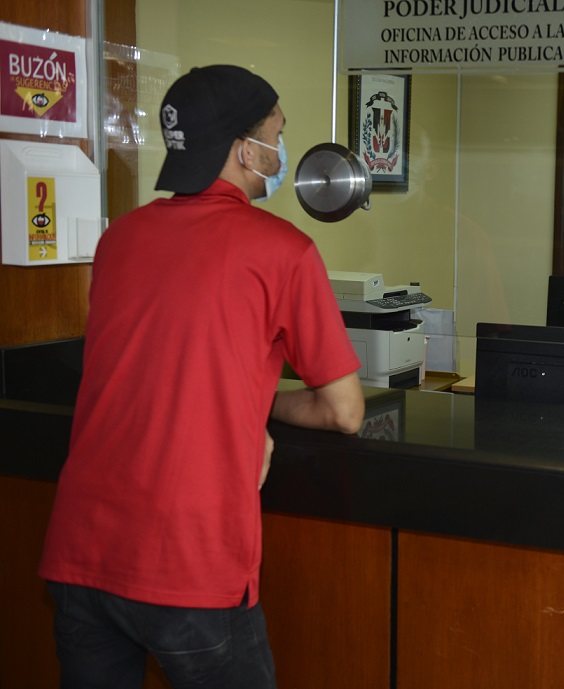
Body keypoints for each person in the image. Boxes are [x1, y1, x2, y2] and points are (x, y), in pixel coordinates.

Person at [38, 65, 365, 689]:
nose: (280, 150)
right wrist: (259, 409)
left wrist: (243, 405)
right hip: (187, 564)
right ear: (245, 150)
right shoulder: (283, 251)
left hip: (81, 552)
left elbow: (156, 366)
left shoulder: (120, 239)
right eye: (276, 134)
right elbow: (344, 411)